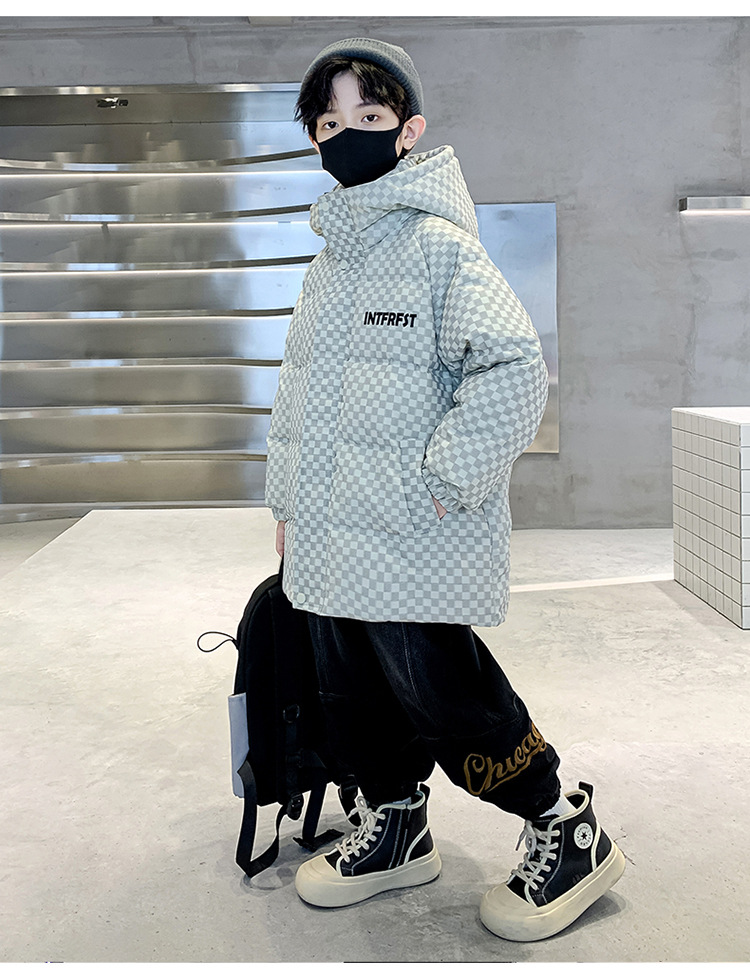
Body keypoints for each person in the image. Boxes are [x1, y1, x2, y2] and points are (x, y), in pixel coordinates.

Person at [264, 36, 625, 942]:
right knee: (351, 692)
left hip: (411, 533)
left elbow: (514, 368)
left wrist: (442, 481)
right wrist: (287, 505)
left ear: (409, 130)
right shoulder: (329, 266)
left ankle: (566, 828)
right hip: (329, 536)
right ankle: (396, 823)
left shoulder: (438, 249)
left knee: (445, 692)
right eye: (329, 122)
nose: (346, 133)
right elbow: (298, 399)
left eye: (369, 116)